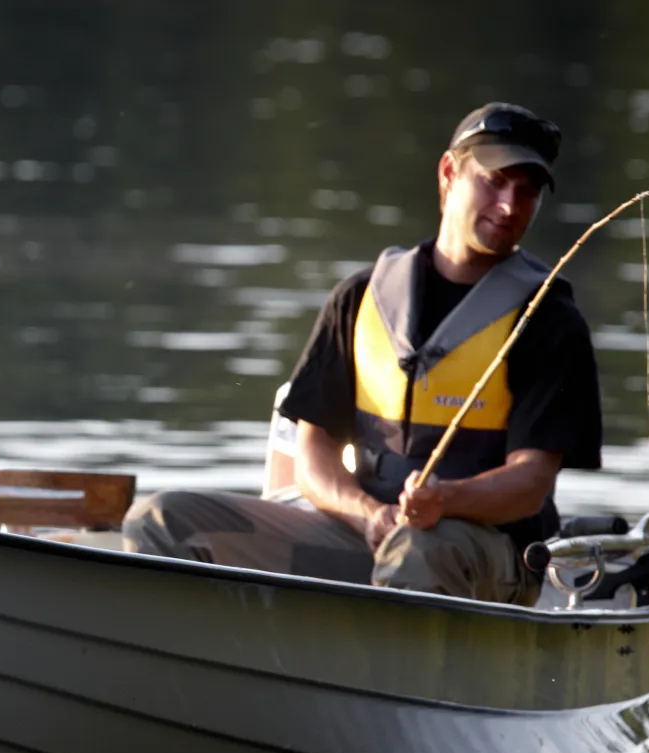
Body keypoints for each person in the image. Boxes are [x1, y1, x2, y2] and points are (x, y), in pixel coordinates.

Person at [123, 102, 603, 604]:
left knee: (419, 549)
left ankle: (388, 674)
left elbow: (529, 484)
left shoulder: (549, 322)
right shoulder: (359, 298)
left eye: (526, 192)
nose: (509, 206)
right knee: (162, 520)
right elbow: (313, 454)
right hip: (365, 532)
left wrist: (446, 500)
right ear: (448, 173)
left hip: (485, 553)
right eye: (495, 181)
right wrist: (365, 511)